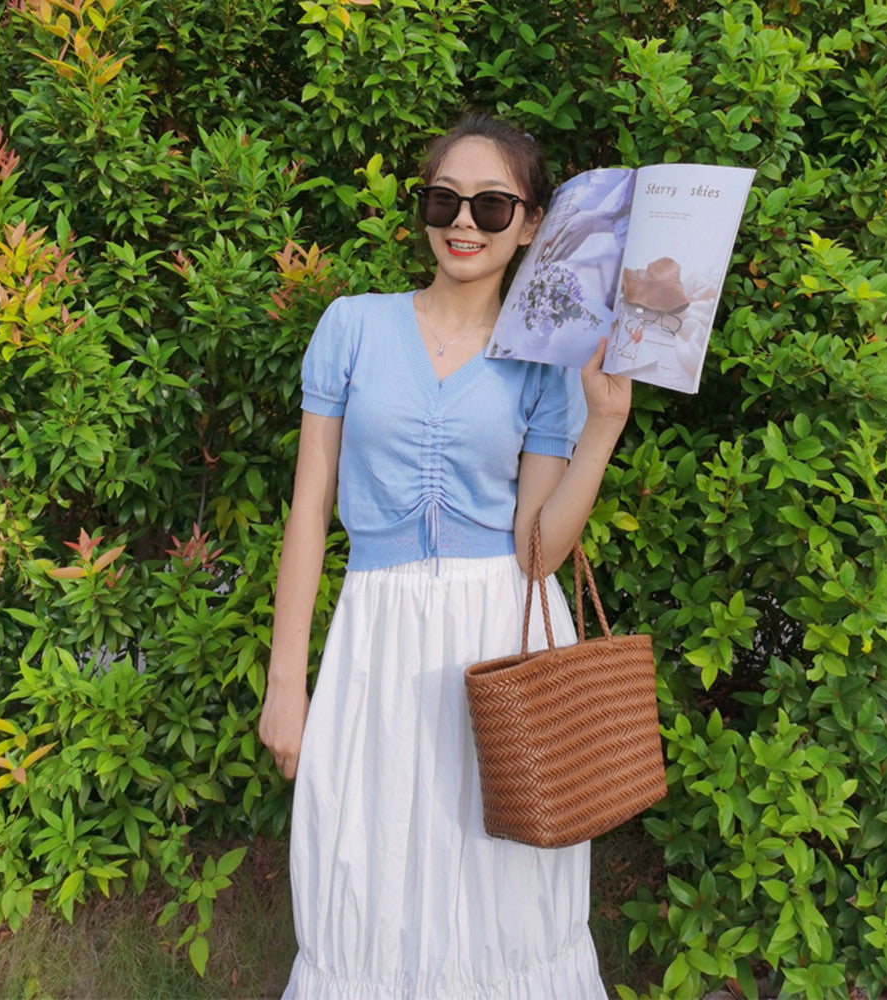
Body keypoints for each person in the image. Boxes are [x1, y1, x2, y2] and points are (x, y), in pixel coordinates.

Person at [258, 112, 631, 1000]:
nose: (464, 223)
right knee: (366, 862)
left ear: (532, 223)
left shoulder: (546, 362)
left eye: (493, 206)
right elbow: (308, 513)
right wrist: (286, 682)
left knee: (500, 885)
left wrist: (604, 425)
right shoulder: (351, 327)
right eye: (445, 200)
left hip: (495, 644)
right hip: (376, 643)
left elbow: (539, 553)